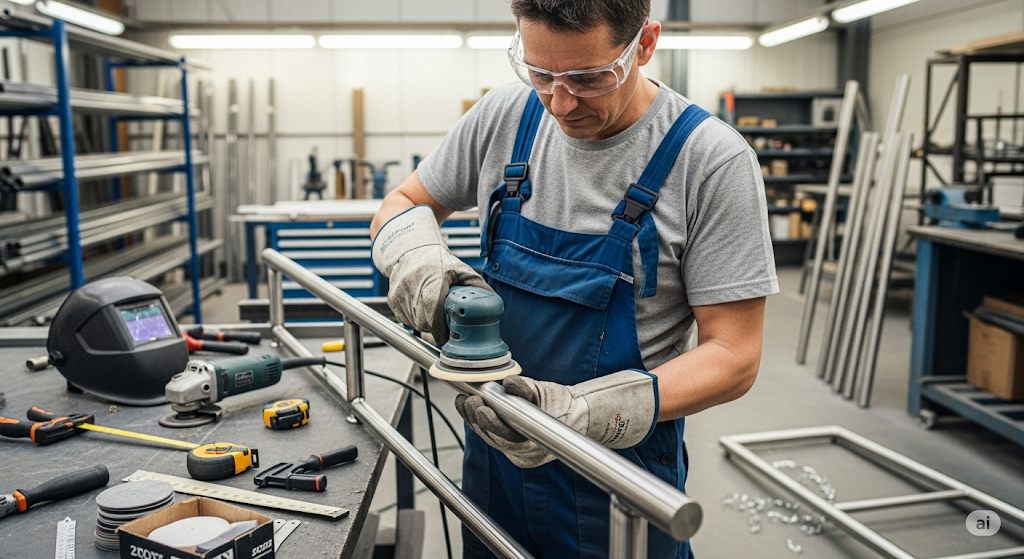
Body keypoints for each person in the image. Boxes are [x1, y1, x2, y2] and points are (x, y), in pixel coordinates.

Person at [370, 1, 778, 557]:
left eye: (588, 78)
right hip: (495, 457)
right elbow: (400, 202)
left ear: (645, 44)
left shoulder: (710, 161)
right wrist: (418, 263)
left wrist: (583, 414)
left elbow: (734, 357)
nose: (560, 103)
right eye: (541, 73)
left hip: (617, 474)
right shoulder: (504, 117)